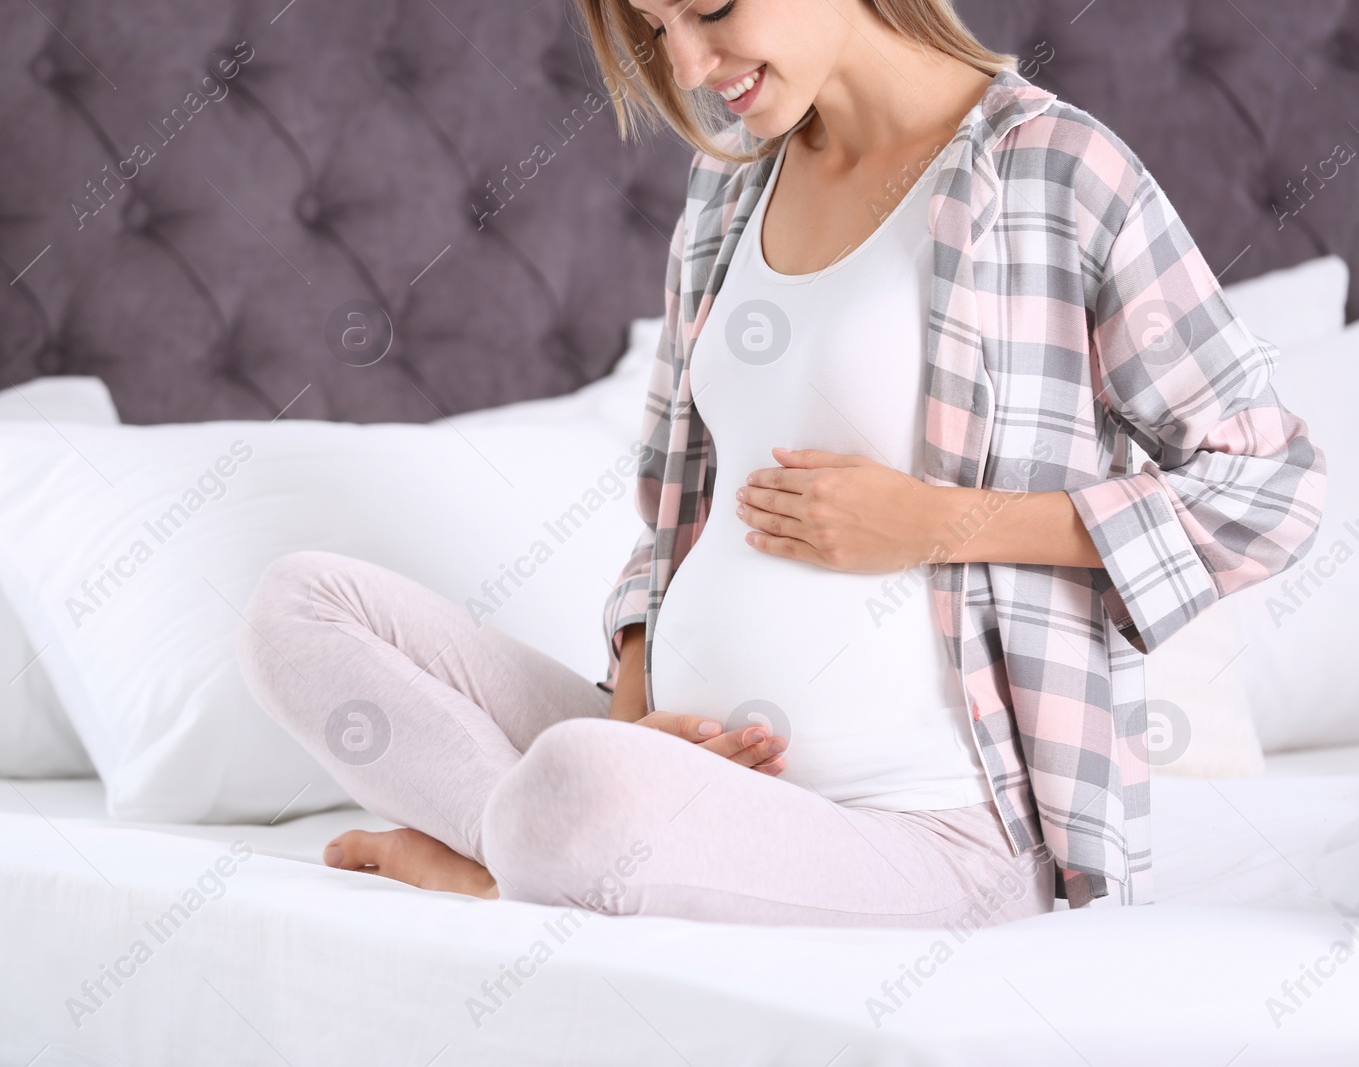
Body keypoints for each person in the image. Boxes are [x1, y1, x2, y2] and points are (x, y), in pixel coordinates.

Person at [236, 0, 1324, 925]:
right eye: (657, 29)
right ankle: (519, 840)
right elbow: (671, 517)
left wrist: (938, 520)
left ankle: (503, 852)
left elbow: (1271, 490)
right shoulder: (724, 198)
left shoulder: (1054, 173)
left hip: (929, 828)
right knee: (299, 606)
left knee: (571, 790)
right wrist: (635, 719)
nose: (694, 70)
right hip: (679, 773)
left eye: (708, 9)